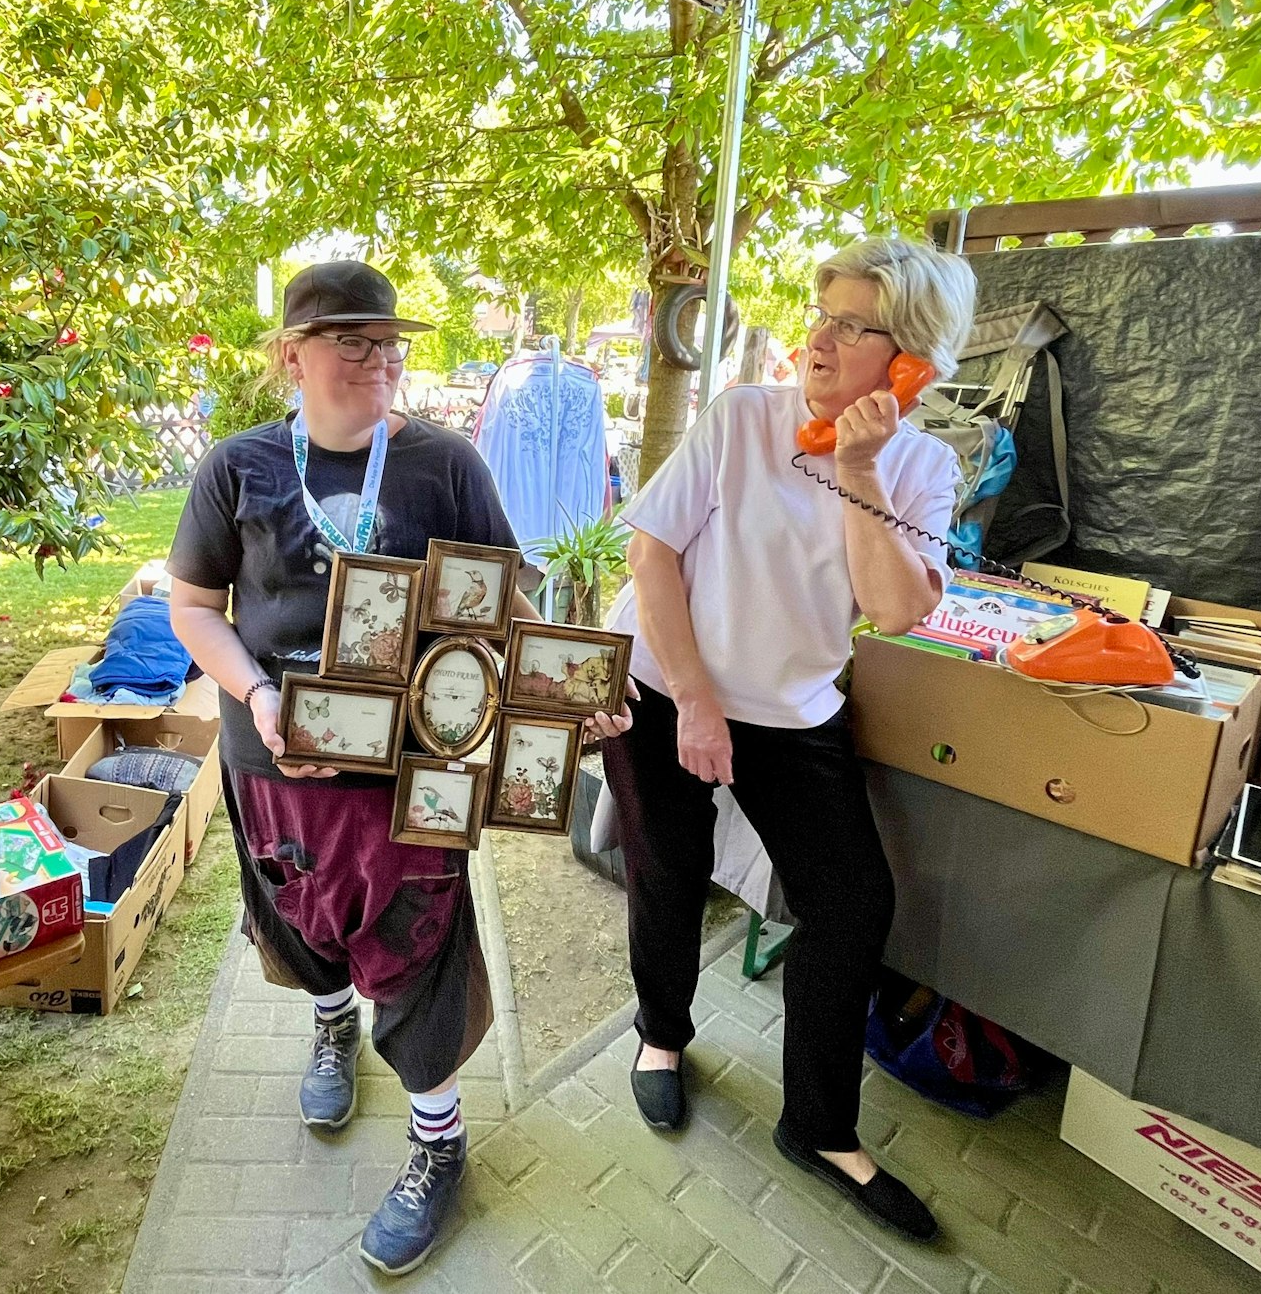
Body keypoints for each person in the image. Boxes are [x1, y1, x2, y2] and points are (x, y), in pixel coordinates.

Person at [165, 260, 626, 1276]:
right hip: (273, 757)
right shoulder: (236, 467)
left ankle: (437, 1140)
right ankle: (329, 1028)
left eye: (390, 344)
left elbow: (505, 603)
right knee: (299, 918)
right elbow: (193, 608)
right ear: (291, 355)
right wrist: (256, 693)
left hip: (416, 767)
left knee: (414, 947)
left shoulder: (442, 462)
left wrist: (566, 693)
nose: (380, 362)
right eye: (351, 343)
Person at [601, 236, 975, 1243]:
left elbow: (893, 609)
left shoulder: (923, 464)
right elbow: (652, 556)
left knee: (850, 905)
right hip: (662, 684)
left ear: (912, 363)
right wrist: (693, 700)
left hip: (795, 712)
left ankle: (815, 1126)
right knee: (666, 873)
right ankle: (661, 1039)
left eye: (854, 325)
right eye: (821, 311)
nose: (818, 336)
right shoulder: (737, 418)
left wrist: (856, 465)